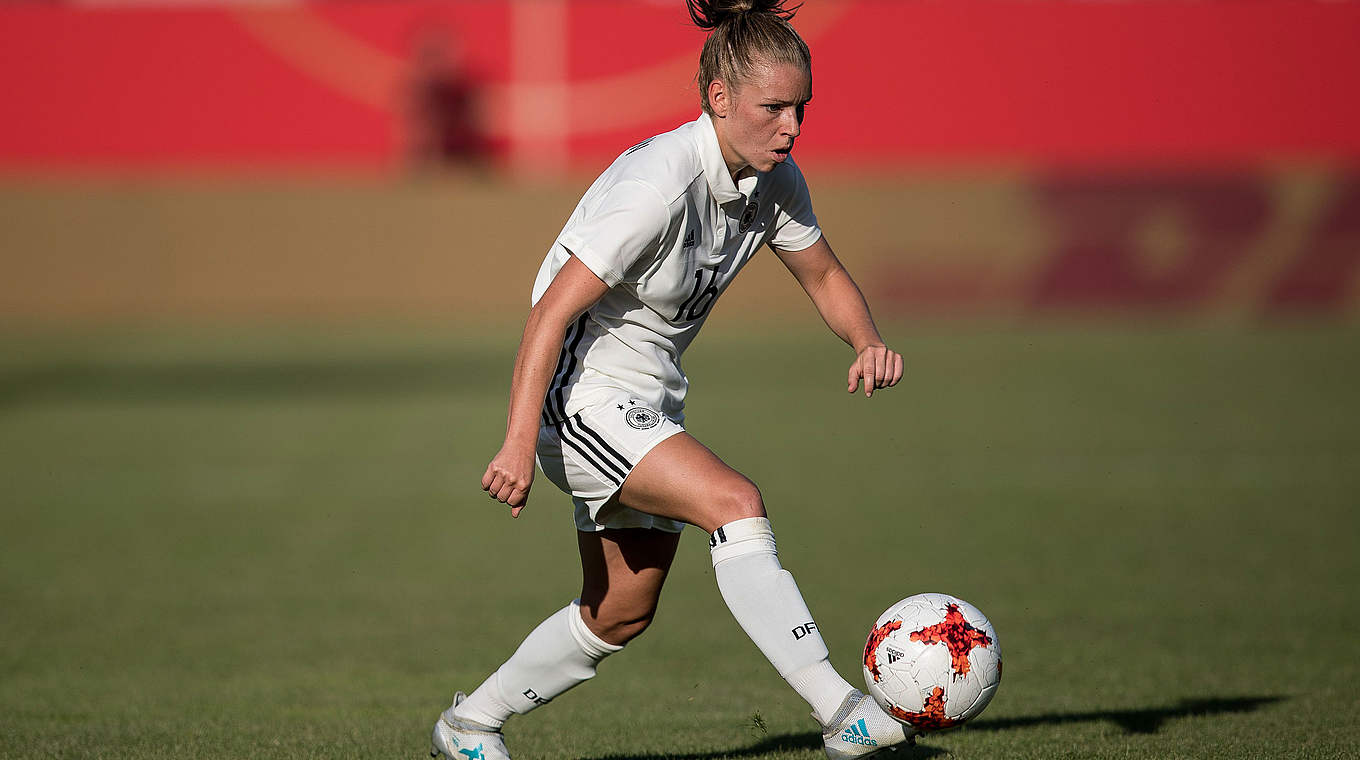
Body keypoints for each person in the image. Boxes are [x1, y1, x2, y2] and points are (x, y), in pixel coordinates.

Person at [432, 2, 908, 758]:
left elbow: (822, 274)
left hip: (645, 402)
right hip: (578, 399)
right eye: (774, 108)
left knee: (621, 610)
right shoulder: (657, 186)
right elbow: (550, 314)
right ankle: (844, 711)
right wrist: (519, 441)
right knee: (734, 502)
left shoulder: (773, 181)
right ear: (720, 100)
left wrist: (866, 338)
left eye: (800, 108)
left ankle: (468, 726)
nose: (792, 127)